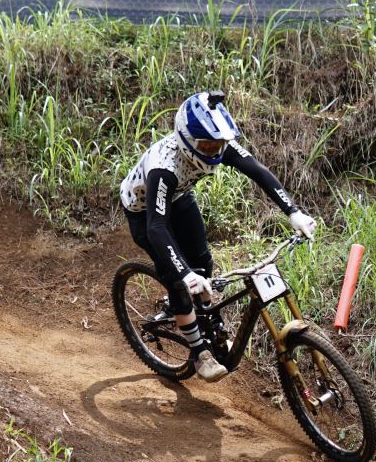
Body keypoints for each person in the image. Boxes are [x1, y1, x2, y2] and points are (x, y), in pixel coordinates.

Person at [119, 90, 317, 382]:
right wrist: (185, 275)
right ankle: (199, 353)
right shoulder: (164, 168)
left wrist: (293, 212)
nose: (214, 151)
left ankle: (206, 318)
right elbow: (156, 227)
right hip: (144, 212)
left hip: (179, 198)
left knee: (203, 262)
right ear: (187, 139)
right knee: (178, 278)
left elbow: (258, 171)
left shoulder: (220, 145)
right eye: (208, 146)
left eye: (219, 145)